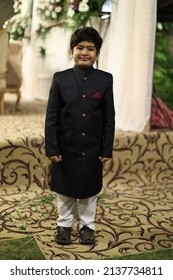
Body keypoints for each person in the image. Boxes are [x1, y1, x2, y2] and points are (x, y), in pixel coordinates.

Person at [45, 27, 115, 245]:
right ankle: (63, 226)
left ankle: (87, 227)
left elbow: (109, 117)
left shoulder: (105, 79)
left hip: (93, 148)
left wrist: (106, 148)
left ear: (98, 54)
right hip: (66, 147)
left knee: (88, 191)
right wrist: (52, 148)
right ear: (71, 51)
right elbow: (51, 116)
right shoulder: (60, 79)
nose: (85, 52)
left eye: (91, 49)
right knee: (64, 191)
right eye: (80, 48)